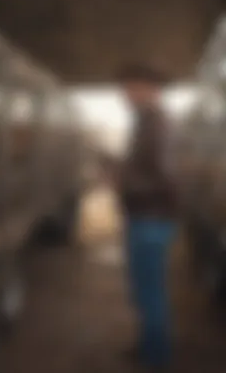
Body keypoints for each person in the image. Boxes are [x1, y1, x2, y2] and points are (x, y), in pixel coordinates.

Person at [117, 64, 179, 370]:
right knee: (143, 289)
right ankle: (148, 347)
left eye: (130, 87)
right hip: (146, 217)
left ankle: (156, 358)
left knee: (150, 291)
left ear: (150, 89)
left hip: (150, 219)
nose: (125, 94)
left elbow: (166, 178)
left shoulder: (157, 124)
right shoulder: (146, 122)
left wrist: (123, 180)